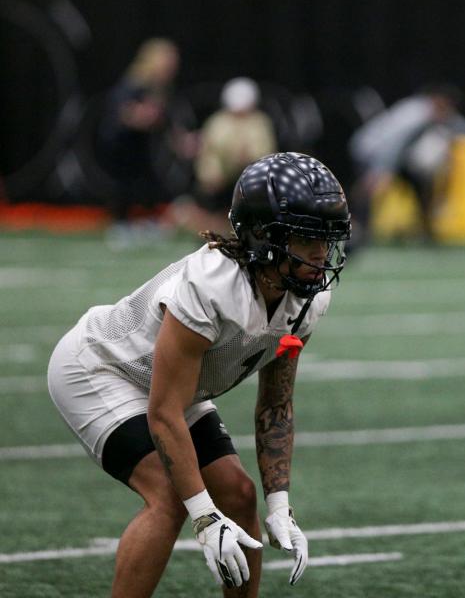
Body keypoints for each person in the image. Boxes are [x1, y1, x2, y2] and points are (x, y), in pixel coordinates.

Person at [47, 152, 351, 597]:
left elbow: (275, 403)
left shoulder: (304, 300)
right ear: (266, 235)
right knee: (170, 499)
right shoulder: (211, 285)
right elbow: (166, 410)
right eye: (308, 239)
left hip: (165, 384)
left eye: (327, 239)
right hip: (99, 369)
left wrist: (280, 505)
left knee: (239, 494)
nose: (322, 254)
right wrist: (204, 517)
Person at [348, 83, 465, 244]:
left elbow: (456, 123)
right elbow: (394, 143)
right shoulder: (416, 114)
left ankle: (426, 231)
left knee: (420, 185)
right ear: (437, 101)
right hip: (370, 151)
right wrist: (383, 170)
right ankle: (358, 229)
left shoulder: (431, 111)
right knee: (371, 188)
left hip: (397, 157)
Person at [95, 38, 197, 247]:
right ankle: (120, 225)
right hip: (120, 141)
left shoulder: (161, 86)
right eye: (168, 62)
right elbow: (122, 113)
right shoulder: (136, 82)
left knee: (147, 181)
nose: (172, 67)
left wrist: (182, 141)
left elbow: (166, 119)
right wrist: (141, 117)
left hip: (140, 143)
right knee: (125, 182)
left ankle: (145, 223)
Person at [172, 77, 277, 233]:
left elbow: (264, 156)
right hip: (219, 185)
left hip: (249, 183)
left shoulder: (260, 123)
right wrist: (212, 175)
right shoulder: (218, 122)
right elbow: (209, 154)